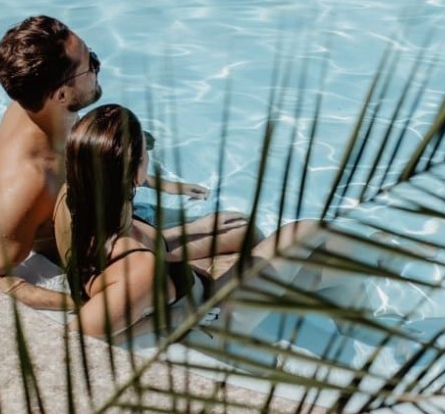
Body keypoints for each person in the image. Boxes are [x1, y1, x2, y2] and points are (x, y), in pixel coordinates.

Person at [0, 15, 248, 309]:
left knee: (244, 230)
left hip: (115, 220)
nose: (98, 67)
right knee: (249, 259)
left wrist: (160, 183)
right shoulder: (28, 181)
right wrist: (83, 306)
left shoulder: (44, 108)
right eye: (90, 64)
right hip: (103, 257)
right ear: (61, 94)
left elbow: (86, 162)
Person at [58, 104, 365, 339]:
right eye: (144, 151)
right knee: (308, 234)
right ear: (134, 168)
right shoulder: (139, 271)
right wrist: (172, 320)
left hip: (181, 281)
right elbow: (80, 335)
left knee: (242, 230)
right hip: (215, 316)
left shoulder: (80, 202)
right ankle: (354, 318)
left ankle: (340, 299)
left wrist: (197, 227)